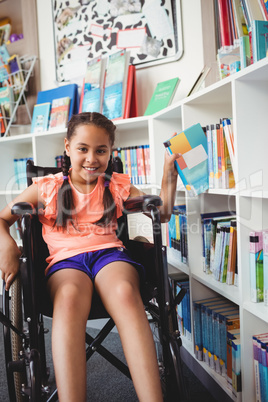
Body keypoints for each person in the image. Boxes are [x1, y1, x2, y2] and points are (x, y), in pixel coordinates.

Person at [0, 112, 179, 402]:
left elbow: (164, 214)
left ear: (111, 152)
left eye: (101, 150)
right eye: (83, 149)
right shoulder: (46, 187)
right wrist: (7, 247)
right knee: (69, 296)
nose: (91, 159)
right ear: (67, 147)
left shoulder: (116, 184)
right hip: (66, 263)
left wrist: (168, 174)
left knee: (123, 291)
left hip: (111, 257)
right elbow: (1, 220)